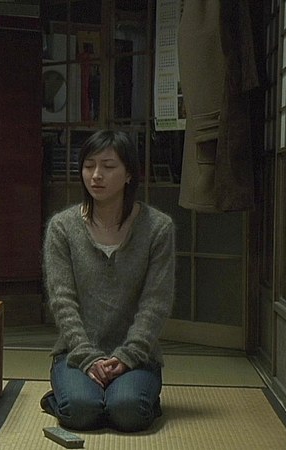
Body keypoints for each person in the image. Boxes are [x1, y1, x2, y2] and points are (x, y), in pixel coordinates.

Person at [40, 130, 175, 432]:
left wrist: (128, 355)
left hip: (137, 356)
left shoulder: (157, 228)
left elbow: (156, 302)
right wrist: (87, 356)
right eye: (89, 166)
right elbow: (62, 301)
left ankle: (135, 399)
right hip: (76, 353)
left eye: (108, 166)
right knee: (80, 411)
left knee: (128, 412)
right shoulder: (63, 227)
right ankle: (67, 396)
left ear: (129, 174)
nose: (96, 175)